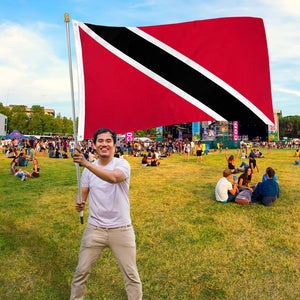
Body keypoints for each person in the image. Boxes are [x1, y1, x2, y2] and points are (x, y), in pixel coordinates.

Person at [70, 128, 142, 300]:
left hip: (121, 229)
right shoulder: (88, 170)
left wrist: (87, 163)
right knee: (81, 272)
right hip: (95, 229)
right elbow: (83, 193)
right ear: (94, 145)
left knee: (131, 276)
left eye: (108, 141)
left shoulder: (122, 164)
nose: (104, 144)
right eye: (100, 141)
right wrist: (79, 203)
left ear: (114, 145)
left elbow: (113, 178)